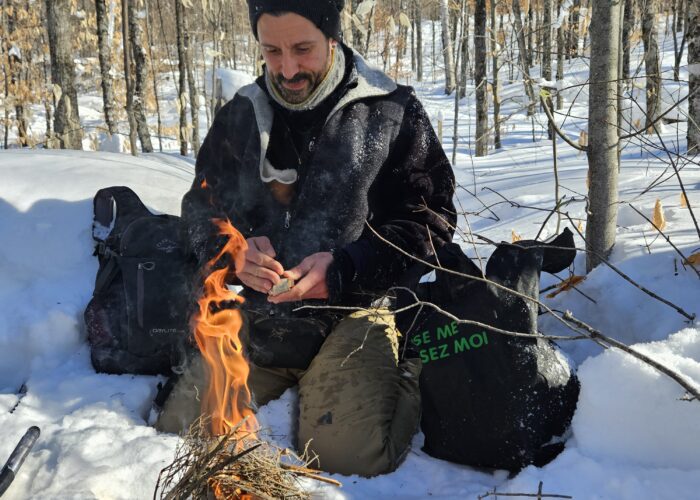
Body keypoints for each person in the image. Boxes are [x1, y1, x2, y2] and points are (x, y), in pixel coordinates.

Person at [157, 0, 456, 477]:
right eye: (271, 50)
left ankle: (406, 368)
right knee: (182, 431)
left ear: (332, 38)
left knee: (348, 456)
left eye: (302, 49)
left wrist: (346, 267)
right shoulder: (241, 113)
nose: (288, 69)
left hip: (356, 308)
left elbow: (432, 220)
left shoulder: (391, 110)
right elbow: (201, 208)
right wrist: (234, 252)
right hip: (262, 314)